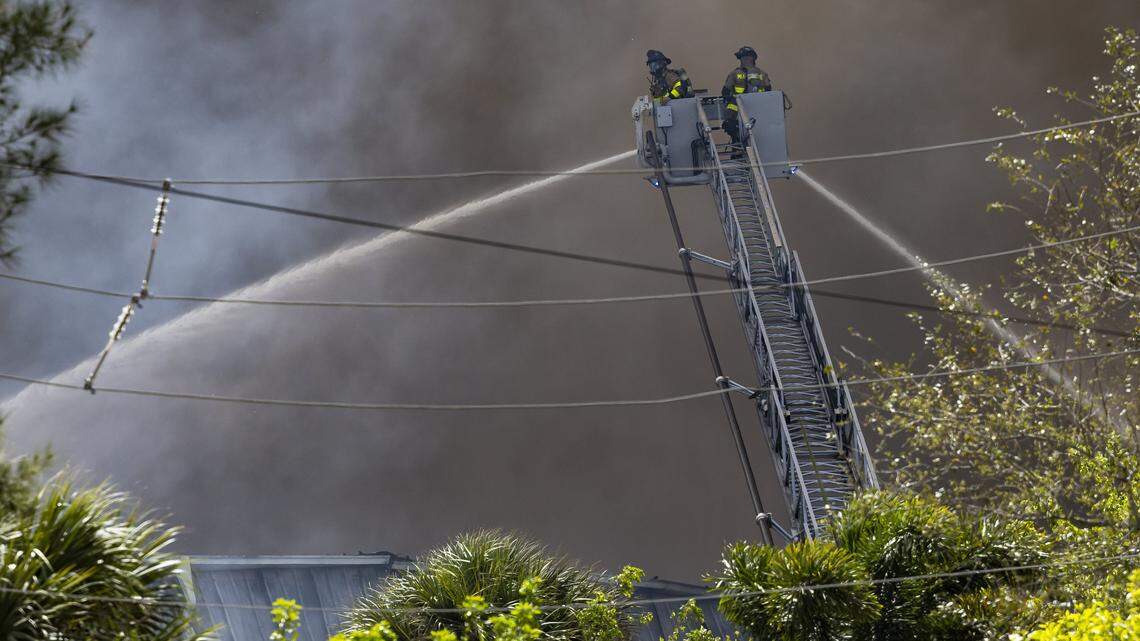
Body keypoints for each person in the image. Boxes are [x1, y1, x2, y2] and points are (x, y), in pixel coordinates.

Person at [721, 46, 773, 145]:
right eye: (741, 57)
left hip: (739, 113)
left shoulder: (735, 74)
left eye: (742, 57)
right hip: (760, 113)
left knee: (732, 129)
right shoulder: (762, 74)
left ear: (750, 58)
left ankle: (737, 143)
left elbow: (725, 93)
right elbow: (769, 92)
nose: (741, 60)